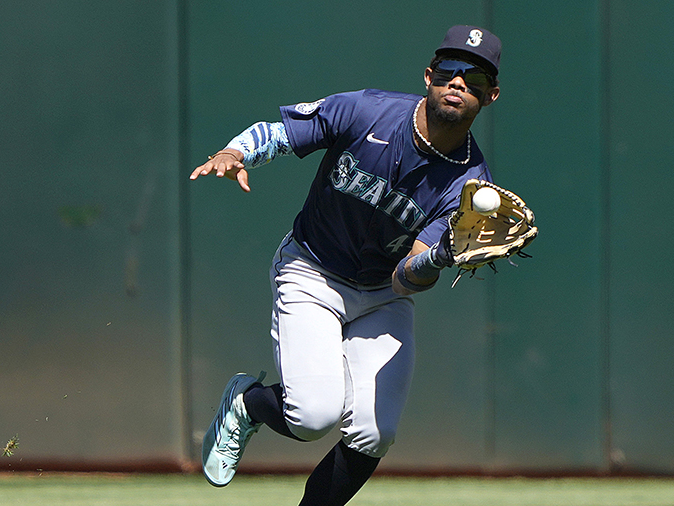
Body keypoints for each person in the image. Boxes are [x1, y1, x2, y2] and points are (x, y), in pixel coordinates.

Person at [190, 25, 502, 506]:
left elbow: (408, 277)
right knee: (312, 417)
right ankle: (247, 402)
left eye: (475, 78)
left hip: (383, 293)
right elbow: (283, 132)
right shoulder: (367, 110)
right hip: (312, 269)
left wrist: (439, 256)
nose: (458, 82)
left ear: (491, 95)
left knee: (375, 434)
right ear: (428, 76)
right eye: (448, 70)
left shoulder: (469, 185)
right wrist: (235, 152)